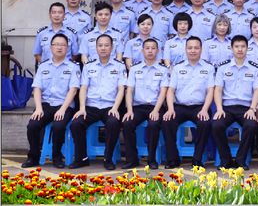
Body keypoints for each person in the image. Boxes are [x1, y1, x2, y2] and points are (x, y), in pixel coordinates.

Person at [22, 34, 80, 169]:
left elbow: (73, 90)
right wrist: (38, 108)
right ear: (51, 47)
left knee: (58, 126)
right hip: (46, 104)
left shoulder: (73, 67)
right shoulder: (43, 66)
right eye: (56, 44)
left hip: (64, 105)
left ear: (67, 48)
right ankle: (33, 157)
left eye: (63, 45)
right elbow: (37, 88)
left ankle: (57, 157)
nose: (59, 47)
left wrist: (63, 109)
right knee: (33, 125)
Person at [69, 34, 127, 170]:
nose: (103, 48)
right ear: (96, 48)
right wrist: (82, 108)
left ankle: (108, 158)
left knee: (113, 123)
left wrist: (115, 108)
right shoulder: (88, 66)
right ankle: (82, 158)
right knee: (76, 124)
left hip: (110, 106)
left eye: (106, 45)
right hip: (91, 107)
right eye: (100, 45)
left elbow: (121, 89)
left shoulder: (119, 66)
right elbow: (83, 88)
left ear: (112, 48)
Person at [162, 36, 215, 168]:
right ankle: (173, 158)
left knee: (204, 123)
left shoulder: (208, 68)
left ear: (201, 49)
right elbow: (170, 91)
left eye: (196, 48)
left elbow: (211, 91)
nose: (193, 50)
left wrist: (205, 109)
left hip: (200, 107)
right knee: (167, 121)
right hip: (179, 106)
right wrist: (170, 109)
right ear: (185, 49)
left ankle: (197, 159)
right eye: (190, 48)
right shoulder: (177, 67)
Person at [212, 35, 258, 170]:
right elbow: (218, 90)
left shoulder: (254, 68)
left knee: (251, 125)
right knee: (216, 125)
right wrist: (219, 109)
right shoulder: (223, 67)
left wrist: (252, 109)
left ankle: (241, 160)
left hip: (246, 108)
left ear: (247, 48)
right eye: (237, 46)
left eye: (243, 46)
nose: (240, 49)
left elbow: (257, 90)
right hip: (227, 108)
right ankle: (226, 160)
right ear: (231, 48)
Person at [121, 39, 169, 169]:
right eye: (147, 48)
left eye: (153, 48)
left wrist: (156, 110)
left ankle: (151, 159)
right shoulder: (134, 69)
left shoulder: (163, 70)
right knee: (127, 123)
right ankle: (132, 159)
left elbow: (163, 92)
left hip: (156, 106)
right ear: (142, 51)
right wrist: (129, 110)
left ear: (157, 51)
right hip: (138, 107)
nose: (150, 51)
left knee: (153, 124)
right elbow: (129, 91)